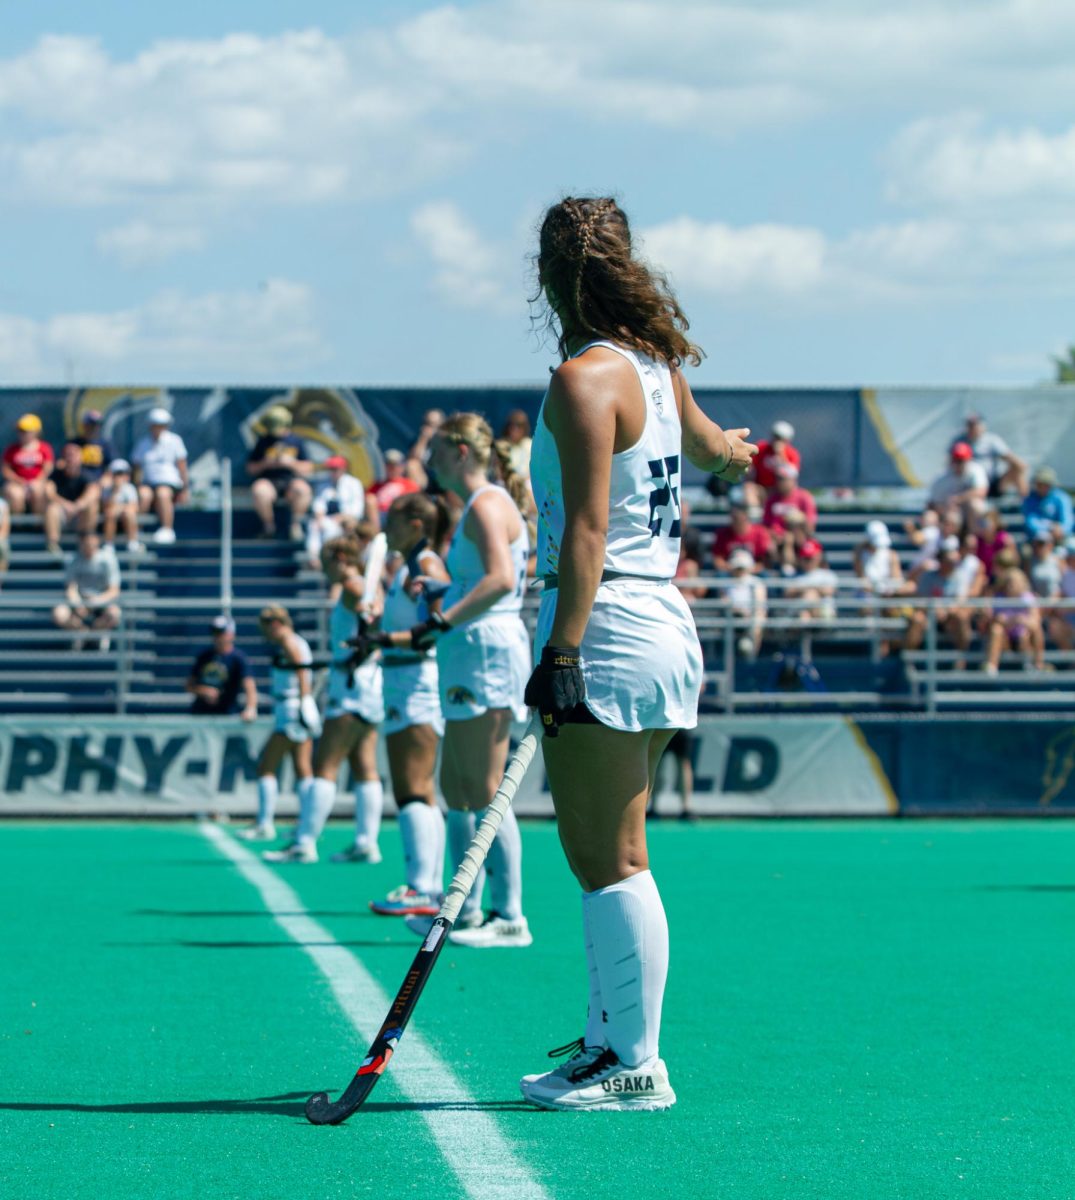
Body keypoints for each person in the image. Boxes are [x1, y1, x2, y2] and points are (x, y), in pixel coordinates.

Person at [520, 196, 755, 1111]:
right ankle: (608, 1041)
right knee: (609, 854)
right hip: (659, 621)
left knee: (609, 857)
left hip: (606, 621)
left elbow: (584, 527)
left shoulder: (584, 378)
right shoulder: (653, 366)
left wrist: (563, 650)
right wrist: (735, 454)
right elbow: (710, 451)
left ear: (548, 278)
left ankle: (634, 1063)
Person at [399, 412, 534, 949]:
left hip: (484, 651)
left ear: (459, 449)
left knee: (484, 790)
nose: (428, 459)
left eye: (435, 448)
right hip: (468, 651)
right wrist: (440, 590)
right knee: (457, 790)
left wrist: (441, 619)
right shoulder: (479, 506)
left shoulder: (487, 502)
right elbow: (481, 580)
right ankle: (465, 909)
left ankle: (510, 916)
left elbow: (503, 580)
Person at [365, 493, 450, 916]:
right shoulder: (408, 566)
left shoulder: (426, 564)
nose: (386, 528)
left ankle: (421, 887)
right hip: (403, 677)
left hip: (415, 679)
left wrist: (386, 640)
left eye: (394, 521)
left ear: (416, 524)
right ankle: (428, 886)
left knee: (412, 786)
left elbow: (436, 625)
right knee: (419, 789)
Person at [286, 534, 386, 866]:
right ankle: (365, 842)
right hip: (369, 685)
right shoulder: (361, 587)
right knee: (363, 766)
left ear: (341, 557)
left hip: (352, 685)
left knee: (324, 765)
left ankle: (304, 842)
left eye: (327, 563)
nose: (324, 571)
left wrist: (363, 643)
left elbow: (375, 622)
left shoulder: (354, 587)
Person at [246, 605, 321, 849]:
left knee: (266, 766)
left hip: (291, 709)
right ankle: (307, 824)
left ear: (275, 623)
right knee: (303, 770)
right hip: (294, 707)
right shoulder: (297, 640)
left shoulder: (289, 641)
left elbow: (300, 669)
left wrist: (305, 699)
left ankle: (264, 823)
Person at [903, 535, 977, 667]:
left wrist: (946, 611)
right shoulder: (927, 576)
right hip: (929, 616)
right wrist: (934, 610)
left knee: (961, 616)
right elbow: (920, 600)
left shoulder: (960, 577)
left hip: (949, 618)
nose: (952, 565)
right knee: (917, 619)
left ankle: (961, 657)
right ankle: (909, 661)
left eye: (954, 562)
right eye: (949, 561)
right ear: (941, 561)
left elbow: (960, 601)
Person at [246, 405, 313, 540]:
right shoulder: (263, 441)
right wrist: (266, 463)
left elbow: (309, 468)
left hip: (290, 481)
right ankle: (269, 527)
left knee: (303, 489)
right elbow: (250, 468)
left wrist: (291, 463)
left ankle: (295, 526)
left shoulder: (296, 441)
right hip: (269, 481)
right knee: (259, 490)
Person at [51, 531, 121, 651]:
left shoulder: (108, 559)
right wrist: (77, 603)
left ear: (97, 542)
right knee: (59, 614)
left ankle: (97, 632)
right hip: (80, 599)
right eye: (86, 544)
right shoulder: (72, 560)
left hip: (101, 600)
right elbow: (71, 588)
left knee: (115, 614)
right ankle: (81, 631)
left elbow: (114, 590)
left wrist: (98, 600)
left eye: (91, 543)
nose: (89, 547)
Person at [132, 407, 189, 545]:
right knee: (143, 495)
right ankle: (136, 531)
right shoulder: (143, 443)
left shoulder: (175, 440)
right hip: (148, 482)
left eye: (161, 425)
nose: (158, 428)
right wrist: (137, 485)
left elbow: (182, 466)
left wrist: (185, 489)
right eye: (155, 425)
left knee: (163, 494)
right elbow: (137, 467)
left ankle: (167, 529)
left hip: (169, 483)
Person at [186, 615, 259, 719]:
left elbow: (249, 685)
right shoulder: (204, 657)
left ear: (231, 634)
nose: (217, 637)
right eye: (215, 632)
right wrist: (204, 691)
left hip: (227, 714)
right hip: (201, 714)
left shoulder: (238, 658)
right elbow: (189, 685)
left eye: (221, 632)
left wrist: (251, 708)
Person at [305, 455, 367, 567]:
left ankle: (329, 557)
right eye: (331, 469)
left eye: (336, 469)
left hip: (347, 520)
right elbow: (319, 505)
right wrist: (320, 518)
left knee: (331, 527)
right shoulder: (323, 484)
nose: (333, 472)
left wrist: (340, 518)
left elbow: (357, 509)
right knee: (314, 525)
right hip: (327, 519)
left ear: (344, 469)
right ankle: (314, 558)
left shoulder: (354, 483)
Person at [982, 566, 1045, 674]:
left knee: (1033, 631)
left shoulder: (1028, 598)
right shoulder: (998, 598)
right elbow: (994, 619)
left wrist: (1021, 620)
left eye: (1015, 583)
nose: (1011, 586)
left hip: (1023, 637)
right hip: (1005, 638)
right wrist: (1009, 621)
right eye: (1009, 583)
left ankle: (1037, 664)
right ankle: (992, 666)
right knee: (996, 630)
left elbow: (1035, 621)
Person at [950, 413, 1027, 498]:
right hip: (971, 484)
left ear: (982, 426)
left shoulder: (992, 440)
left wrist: (1020, 466)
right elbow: (950, 462)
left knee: (1017, 469)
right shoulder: (959, 441)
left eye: (975, 425)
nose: (973, 428)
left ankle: (1025, 502)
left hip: (993, 482)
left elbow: (1009, 457)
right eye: (970, 425)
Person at [43, 442, 100, 554]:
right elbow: (48, 492)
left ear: (80, 457)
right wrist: (66, 505)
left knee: (92, 506)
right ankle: (53, 545)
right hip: (62, 512)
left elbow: (94, 492)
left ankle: (85, 540)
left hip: (80, 514)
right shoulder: (56, 474)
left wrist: (78, 505)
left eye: (73, 454)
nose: (70, 458)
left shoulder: (87, 474)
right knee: (51, 509)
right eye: (67, 455)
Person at [762, 463, 817, 572]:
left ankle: (793, 569)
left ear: (793, 480)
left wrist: (799, 520)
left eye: (783, 479)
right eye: (778, 478)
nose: (779, 482)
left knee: (792, 540)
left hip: (799, 538)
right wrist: (774, 535)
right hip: (777, 539)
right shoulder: (772, 499)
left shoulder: (804, 497)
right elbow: (766, 525)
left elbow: (810, 527)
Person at [2, 413, 54, 517]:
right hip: (17, 483)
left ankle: (37, 526)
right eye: (20, 430)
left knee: (38, 492)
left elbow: (48, 467)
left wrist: (36, 481)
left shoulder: (44, 448)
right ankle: (19, 526)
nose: (21, 433)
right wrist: (20, 481)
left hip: (38, 482)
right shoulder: (12, 449)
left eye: (25, 431)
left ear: (36, 432)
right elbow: (5, 469)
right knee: (15, 494)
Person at [719, 547, 767, 656]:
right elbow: (724, 602)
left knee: (758, 621)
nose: (740, 571)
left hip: (752, 617)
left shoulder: (756, 582)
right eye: (738, 567)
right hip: (732, 617)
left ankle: (752, 657)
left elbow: (760, 605)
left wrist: (748, 614)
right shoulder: (725, 583)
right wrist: (738, 611)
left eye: (742, 567)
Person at [744, 419, 800, 511]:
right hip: (761, 488)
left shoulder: (792, 454)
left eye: (781, 438)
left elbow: (791, 477)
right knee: (749, 488)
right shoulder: (761, 448)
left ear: (787, 440)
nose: (777, 440)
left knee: (786, 486)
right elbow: (749, 468)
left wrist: (781, 455)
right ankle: (754, 518)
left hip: (779, 491)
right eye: (775, 436)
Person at [928, 443, 988, 525]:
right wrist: (946, 507)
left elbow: (982, 491)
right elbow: (932, 503)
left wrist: (959, 499)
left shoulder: (975, 470)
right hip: (948, 512)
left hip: (968, 510)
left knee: (976, 506)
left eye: (962, 460)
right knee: (932, 516)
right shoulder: (942, 477)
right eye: (956, 460)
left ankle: (974, 536)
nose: (959, 464)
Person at [711, 503, 772, 573]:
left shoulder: (760, 533)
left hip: (753, 570)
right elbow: (718, 559)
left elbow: (765, 560)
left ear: (747, 518)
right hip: (730, 571)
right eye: (735, 519)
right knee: (720, 575)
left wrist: (751, 569)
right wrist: (731, 568)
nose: (738, 522)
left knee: (764, 574)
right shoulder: (722, 534)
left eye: (741, 519)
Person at [1021, 466, 1073, 543]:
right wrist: (1050, 528)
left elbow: (1068, 520)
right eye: (1039, 484)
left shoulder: (1062, 498)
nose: (1042, 487)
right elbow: (1031, 522)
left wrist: (1061, 529)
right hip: (1037, 540)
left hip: (1061, 537)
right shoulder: (1029, 500)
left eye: (1045, 484)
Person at [100, 460, 143, 551]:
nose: (119, 477)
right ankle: (109, 543)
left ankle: (132, 542)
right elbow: (105, 508)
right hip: (110, 522)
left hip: (126, 522)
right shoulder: (106, 489)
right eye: (116, 474)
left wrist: (119, 508)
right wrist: (115, 491)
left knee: (129, 513)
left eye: (122, 473)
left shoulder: (130, 488)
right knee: (110, 513)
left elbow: (134, 507)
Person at [71, 409, 117, 484]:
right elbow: (62, 463)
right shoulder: (74, 443)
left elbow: (112, 464)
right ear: (84, 425)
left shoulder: (105, 444)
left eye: (98, 425)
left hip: (98, 482)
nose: (95, 427)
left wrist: (107, 476)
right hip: (77, 482)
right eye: (92, 424)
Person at [405, 408, 446, 490]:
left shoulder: (447, 441)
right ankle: (418, 498)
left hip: (444, 479)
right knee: (412, 464)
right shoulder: (418, 440)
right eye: (426, 423)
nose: (428, 427)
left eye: (432, 424)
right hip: (426, 480)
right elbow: (414, 459)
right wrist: (423, 440)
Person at [369, 449, 420, 513]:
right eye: (388, 465)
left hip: (398, 515)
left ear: (402, 467)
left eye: (395, 465)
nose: (392, 468)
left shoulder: (410, 485)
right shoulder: (376, 485)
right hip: (379, 514)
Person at [498, 409, 534, 478]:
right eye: (512, 425)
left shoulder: (531, 446)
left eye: (519, 425)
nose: (515, 429)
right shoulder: (501, 446)